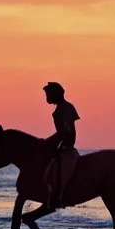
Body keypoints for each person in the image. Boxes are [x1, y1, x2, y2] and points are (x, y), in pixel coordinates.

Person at [43, 82, 80, 210]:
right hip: (61, 143)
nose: (46, 97)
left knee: (61, 168)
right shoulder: (59, 109)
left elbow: (66, 132)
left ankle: (58, 196)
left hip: (66, 144)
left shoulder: (65, 108)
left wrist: (50, 142)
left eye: (48, 94)